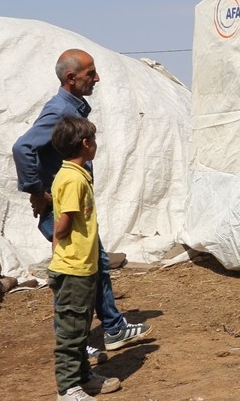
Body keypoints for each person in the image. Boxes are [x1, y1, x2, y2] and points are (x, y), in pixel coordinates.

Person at [12, 49, 151, 357]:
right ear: (71, 78)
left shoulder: (71, 107)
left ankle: (112, 327)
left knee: (96, 266)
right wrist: (37, 191)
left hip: (73, 206)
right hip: (62, 208)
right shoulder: (60, 109)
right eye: (90, 73)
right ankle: (74, 343)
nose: (97, 78)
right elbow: (23, 147)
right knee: (71, 277)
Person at [47, 116, 122, 401]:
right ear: (85, 144)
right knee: (70, 332)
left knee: (80, 328)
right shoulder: (73, 178)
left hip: (83, 266)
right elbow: (63, 223)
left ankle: (83, 377)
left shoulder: (77, 173)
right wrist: (60, 239)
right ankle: (67, 390)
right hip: (72, 267)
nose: (96, 145)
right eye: (94, 140)